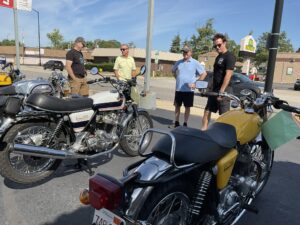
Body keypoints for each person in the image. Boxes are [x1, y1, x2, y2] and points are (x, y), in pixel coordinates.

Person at [201, 33, 236, 130]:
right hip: (215, 90)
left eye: (219, 45)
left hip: (224, 91)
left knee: (224, 117)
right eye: (215, 46)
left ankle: (224, 138)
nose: (217, 47)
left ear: (225, 43)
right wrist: (209, 87)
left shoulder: (230, 56)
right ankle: (203, 131)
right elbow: (215, 74)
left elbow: (228, 74)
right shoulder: (218, 57)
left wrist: (222, 91)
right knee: (207, 111)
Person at [172, 45, 207, 128]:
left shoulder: (195, 63)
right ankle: (176, 122)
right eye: (183, 51)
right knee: (177, 106)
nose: (185, 53)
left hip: (189, 91)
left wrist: (196, 84)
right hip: (179, 89)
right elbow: (173, 71)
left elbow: (204, 73)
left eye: (186, 51)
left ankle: (185, 123)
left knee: (187, 107)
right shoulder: (178, 62)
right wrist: (177, 78)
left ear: (191, 52)